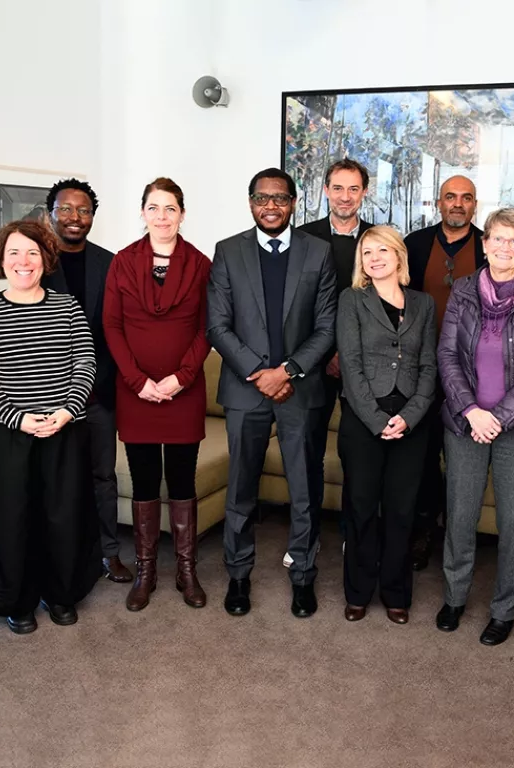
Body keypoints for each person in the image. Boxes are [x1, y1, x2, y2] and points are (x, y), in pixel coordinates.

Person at [207, 167, 336, 618]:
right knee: (241, 490)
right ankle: (238, 575)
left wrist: (289, 371)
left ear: (295, 202)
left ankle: (302, 575)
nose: (271, 206)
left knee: (303, 490)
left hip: (300, 390)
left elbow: (326, 327)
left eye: (280, 198)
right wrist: (259, 372)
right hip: (245, 391)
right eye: (262, 198)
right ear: (250, 202)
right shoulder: (227, 251)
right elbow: (217, 325)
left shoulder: (317, 253)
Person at [0, 220, 101, 634]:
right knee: (12, 520)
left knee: (63, 517)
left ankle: (61, 594)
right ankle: (17, 599)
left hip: (64, 428)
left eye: (31, 253)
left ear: (45, 259)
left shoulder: (67, 306)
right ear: (0, 261)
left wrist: (66, 411)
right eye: (14, 254)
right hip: (8, 434)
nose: (23, 262)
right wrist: (19, 418)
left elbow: (85, 361)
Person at [436, 208, 514, 646]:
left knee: (513, 523)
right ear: (484, 243)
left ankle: (505, 608)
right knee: (460, 515)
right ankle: (454, 596)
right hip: (465, 421)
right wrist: (471, 411)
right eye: (498, 239)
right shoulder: (464, 290)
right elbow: (447, 356)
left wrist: (500, 417)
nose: (505, 247)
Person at [103, 177, 212, 611]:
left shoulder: (202, 264)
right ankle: (146, 570)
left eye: (170, 208)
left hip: (183, 391)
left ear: (182, 214)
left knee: (183, 480)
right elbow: (112, 325)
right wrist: (137, 381)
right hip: (136, 392)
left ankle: (187, 570)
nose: (162, 216)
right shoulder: (123, 263)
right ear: (142, 212)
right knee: (145, 480)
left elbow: (207, 327)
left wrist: (182, 377)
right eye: (154, 207)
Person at [336, 226, 436, 623]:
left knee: (401, 510)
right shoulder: (352, 300)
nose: (373, 258)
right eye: (366, 252)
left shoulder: (423, 304)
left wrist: (410, 416)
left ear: (398, 256)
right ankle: (358, 591)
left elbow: (429, 365)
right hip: (364, 418)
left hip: (412, 418)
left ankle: (396, 592)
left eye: (382, 250)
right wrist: (378, 420)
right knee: (361, 506)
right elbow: (351, 365)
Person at [43, 178, 132, 585]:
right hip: (47, 394)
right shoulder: (36, 262)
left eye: (83, 210)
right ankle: (60, 553)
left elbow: (121, 328)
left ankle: (108, 552)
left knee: (103, 476)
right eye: (66, 209)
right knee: (57, 479)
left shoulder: (111, 263)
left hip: (99, 392)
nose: (75, 218)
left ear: (93, 216)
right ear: (51, 214)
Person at [404, 175, 486, 571]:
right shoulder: (415, 245)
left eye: (465, 198)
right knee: (421, 459)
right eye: (450, 197)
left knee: (461, 460)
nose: (458, 204)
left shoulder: (491, 247)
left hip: (472, 377)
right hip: (421, 370)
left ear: (475, 205)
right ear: (438, 203)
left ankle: (457, 536)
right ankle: (422, 532)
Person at [297, 158, 374, 554]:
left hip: (364, 367)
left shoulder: (378, 240)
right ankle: (305, 536)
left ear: (364, 192)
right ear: (325, 190)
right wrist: (324, 354)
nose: (346, 197)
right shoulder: (302, 237)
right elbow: (297, 308)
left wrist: (349, 354)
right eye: (338, 188)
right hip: (313, 366)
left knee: (358, 455)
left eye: (353, 189)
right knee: (308, 451)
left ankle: (352, 535)